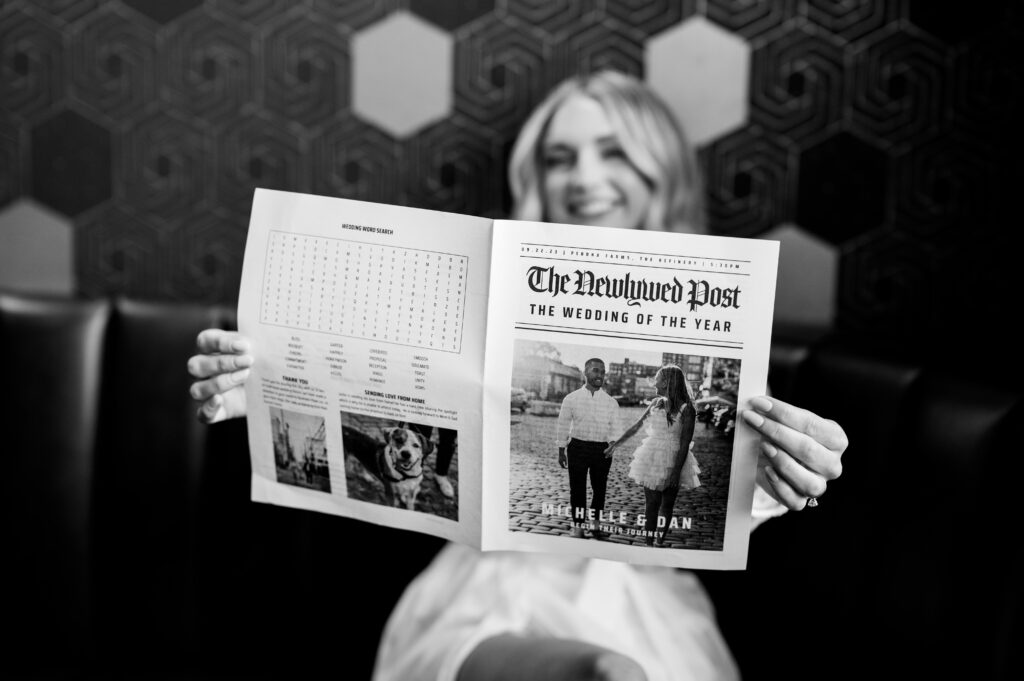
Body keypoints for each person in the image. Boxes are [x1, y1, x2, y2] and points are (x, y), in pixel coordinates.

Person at [188, 70, 848, 681]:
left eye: (612, 151)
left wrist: (782, 472)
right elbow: (371, 383)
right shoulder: (476, 297)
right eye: (559, 159)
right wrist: (265, 377)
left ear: (660, 170)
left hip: (641, 595)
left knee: (620, 669)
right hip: (487, 592)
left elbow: (702, 475)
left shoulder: (719, 329)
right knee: (602, 671)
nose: (582, 177)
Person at [605, 365, 700, 547]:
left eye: (656, 379)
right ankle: (649, 543)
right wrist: (616, 444)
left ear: (666, 382)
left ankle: (660, 540)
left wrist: (675, 471)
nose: (653, 383)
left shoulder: (688, 409)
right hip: (651, 455)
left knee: (667, 505)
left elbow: (685, 443)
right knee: (652, 504)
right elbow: (636, 426)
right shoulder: (656, 403)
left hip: (676, 457)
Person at [556, 358, 620, 539]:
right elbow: (563, 424)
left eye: (602, 372)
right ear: (586, 373)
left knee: (599, 489)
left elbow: (616, 429)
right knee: (577, 489)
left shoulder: (611, 402)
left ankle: (595, 525)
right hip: (577, 447)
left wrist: (612, 446)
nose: (600, 375)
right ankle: (578, 527)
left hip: (602, 450)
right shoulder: (571, 398)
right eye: (595, 370)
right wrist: (561, 449)